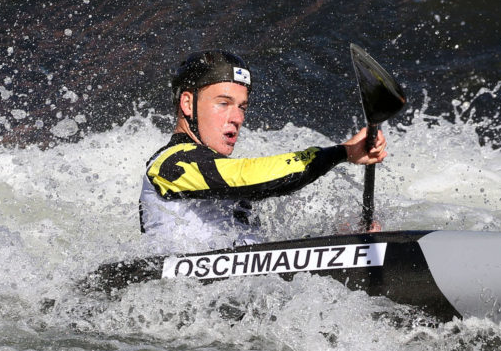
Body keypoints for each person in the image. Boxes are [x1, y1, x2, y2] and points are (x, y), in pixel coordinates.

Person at [139, 50, 387, 251]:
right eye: (223, 103)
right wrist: (341, 153)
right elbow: (253, 176)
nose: (236, 117)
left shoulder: (216, 175)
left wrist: (343, 241)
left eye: (242, 107)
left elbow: (261, 253)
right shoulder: (170, 164)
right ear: (187, 104)